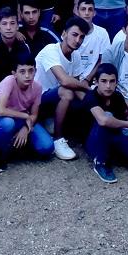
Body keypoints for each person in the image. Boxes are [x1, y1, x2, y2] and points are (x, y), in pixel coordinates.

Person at [35, 18, 94, 160]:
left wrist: (94, 101)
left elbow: (77, 86)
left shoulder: (76, 55)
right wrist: (88, 88)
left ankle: (55, 124)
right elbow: (65, 81)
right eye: (74, 35)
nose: (77, 40)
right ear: (64, 34)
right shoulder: (51, 50)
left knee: (83, 98)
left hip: (54, 100)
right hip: (36, 101)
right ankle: (58, 139)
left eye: (81, 37)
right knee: (67, 91)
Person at [0, 53, 56, 167]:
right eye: (22, 71)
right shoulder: (9, 81)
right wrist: (26, 116)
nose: (27, 75)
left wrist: (26, 128)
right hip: (1, 119)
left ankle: (20, 144)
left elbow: (34, 115)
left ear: (35, 71)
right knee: (8, 123)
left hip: (22, 121)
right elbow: (0, 110)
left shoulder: (37, 87)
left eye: (31, 71)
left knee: (47, 147)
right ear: (14, 73)